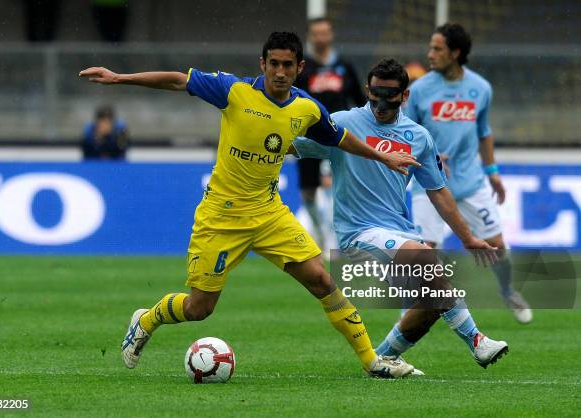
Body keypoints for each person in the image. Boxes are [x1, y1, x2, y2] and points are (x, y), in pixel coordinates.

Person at [79, 32, 420, 378]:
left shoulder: (307, 108)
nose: (280, 72)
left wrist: (382, 157)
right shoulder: (235, 91)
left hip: (269, 213)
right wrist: (120, 78)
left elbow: (338, 138)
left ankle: (371, 361)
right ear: (263, 64)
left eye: (288, 65)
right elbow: (178, 81)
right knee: (199, 308)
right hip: (222, 216)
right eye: (274, 64)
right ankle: (146, 319)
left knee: (322, 281)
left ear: (300, 67)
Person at [292, 59, 508, 373]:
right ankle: (477, 341)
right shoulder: (341, 123)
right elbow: (292, 147)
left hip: (399, 231)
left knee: (434, 301)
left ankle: (380, 359)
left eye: (389, 96)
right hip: (357, 233)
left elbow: (438, 191)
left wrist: (468, 237)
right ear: (366, 89)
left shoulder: (418, 136)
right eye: (375, 94)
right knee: (427, 260)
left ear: (404, 96)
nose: (380, 103)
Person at [404, 23, 532, 323]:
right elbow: (406, 134)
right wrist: (430, 154)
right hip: (429, 185)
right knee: (424, 256)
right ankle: (411, 316)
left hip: (471, 183)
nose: (430, 54)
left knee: (497, 247)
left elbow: (484, 132)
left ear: (455, 53)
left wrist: (493, 172)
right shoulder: (420, 89)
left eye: (437, 48)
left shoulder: (480, 88)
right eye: (430, 47)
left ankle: (507, 291)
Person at [294, 17, 365, 249]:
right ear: (310, 36)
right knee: (308, 193)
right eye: (316, 33)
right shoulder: (303, 68)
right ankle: (320, 233)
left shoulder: (344, 65)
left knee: (337, 189)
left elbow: (360, 100)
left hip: (339, 138)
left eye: (325, 33)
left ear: (331, 35)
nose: (321, 38)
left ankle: (336, 242)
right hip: (308, 137)